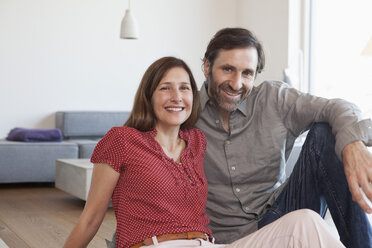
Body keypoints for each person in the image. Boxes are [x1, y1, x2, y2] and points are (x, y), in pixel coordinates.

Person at [63, 56, 344, 248]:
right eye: (165, 88)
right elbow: (90, 219)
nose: (177, 97)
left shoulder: (196, 142)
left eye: (184, 88)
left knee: (305, 222)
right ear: (149, 96)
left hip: (209, 244)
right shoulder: (122, 140)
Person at [195, 27, 372, 248]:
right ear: (207, 67)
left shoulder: (274, 99)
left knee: (325, 133)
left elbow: (338, 107)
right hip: (226, 237)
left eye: (247, 73)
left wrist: (353, 145)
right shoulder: (185, 111)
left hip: (279, 214)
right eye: (228, 69)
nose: (236, 83)